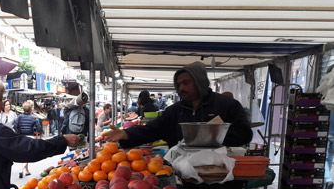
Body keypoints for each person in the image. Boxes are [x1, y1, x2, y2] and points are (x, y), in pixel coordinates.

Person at [101, 61, 252, 149]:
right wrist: (126, 134)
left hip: (220, 176)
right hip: (184, 178)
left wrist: (214, 134)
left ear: (200, 82)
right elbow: (151, 130)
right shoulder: (174, 112)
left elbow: (245, 134)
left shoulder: (226, 105)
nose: (181, 88)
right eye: (178, 84)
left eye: (186, 83)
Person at [15, 100, 43, 177]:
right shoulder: (34, 118)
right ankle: (22, 169)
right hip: (30, 137)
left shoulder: (19, 117)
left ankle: (27, 171)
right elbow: (39, 128)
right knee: (28, 154)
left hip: (21, 137)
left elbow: (15, 126)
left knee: (25, 154)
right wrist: (37, 131)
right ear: (31, 109)